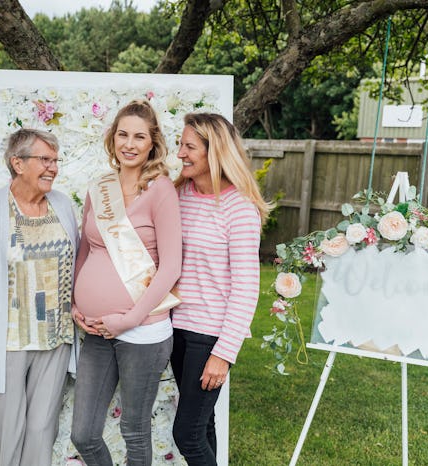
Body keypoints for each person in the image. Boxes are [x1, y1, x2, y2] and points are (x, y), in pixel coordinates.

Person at [70, 99, 182, 466]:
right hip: (98, 330)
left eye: (139, 136)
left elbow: (171, 267)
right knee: (83, 434)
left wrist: (130, 318)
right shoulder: (98, 188)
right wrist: (76, 304)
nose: (129, 144)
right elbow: (85, 249)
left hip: (142, 331)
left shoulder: (160, 189)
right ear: (112, 138)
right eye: (122, 134)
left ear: (153, 143)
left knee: (134, 431)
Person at [0, 129, 80, 466]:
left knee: (41, 429)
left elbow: (77, 263)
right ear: (17, 163)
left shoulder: (62, 205)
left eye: (55, 160)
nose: (52, 168)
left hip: (56, 339)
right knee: (4, 431)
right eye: (44, 160)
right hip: (8, 341)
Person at [171, 113, 272, 466]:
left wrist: (224, 353)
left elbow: (247, 287)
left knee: (186, 435)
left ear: (214, 152)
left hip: (209, 335)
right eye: (180, 144)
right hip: (176, 329)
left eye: (189, 146)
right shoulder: (179, 195)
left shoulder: (239, 207)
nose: (180, 153)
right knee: (202, 427)